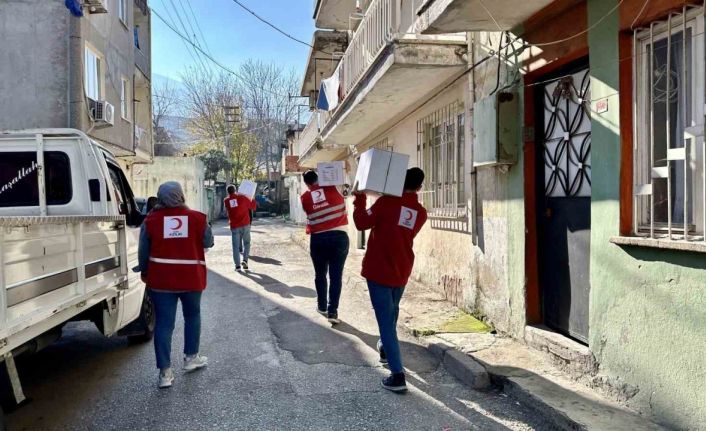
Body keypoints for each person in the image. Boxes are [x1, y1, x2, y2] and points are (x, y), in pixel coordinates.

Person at [352, 168, 428, 393]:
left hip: (379, 270)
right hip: (401, 269)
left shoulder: (386, 203)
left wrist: (359, 199)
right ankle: (386, 348)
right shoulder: (420, 211)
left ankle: (397, 375)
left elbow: (361, 223)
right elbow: (404, 233)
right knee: (392, 312)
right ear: (420, 187)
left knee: (385, 321)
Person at [137, 181, 214, 389]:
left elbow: (143, 251)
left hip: (161, 280)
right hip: (191, 278)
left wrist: (144, 271)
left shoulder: (151, 220)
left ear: (160, 198)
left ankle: (165, 373)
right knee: (192, 316)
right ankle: (191, 358)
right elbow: (208, 242)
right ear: (181, 195)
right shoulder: (197, 218)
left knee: (164, 323)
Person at [300, 170, 349, 324]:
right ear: (318, 178)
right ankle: (332, 312)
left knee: (320, 274)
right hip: (339, 237)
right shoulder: (335, 188)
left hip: (318, 239)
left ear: (307, 183)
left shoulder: (305, 198)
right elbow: (349, 188)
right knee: (336, 276)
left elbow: (310, 211)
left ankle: (321, 306)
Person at [224, 184, 256, 271]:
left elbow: (231, 207)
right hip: (245, 224)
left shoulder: (226, 201)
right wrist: (251, 197)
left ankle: (237, 266)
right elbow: (253, 206)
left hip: (234, 226)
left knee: (235, 246)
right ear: (235, 190)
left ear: (228, 192)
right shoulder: (242, 198)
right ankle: (245, 260)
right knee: (247, 243)